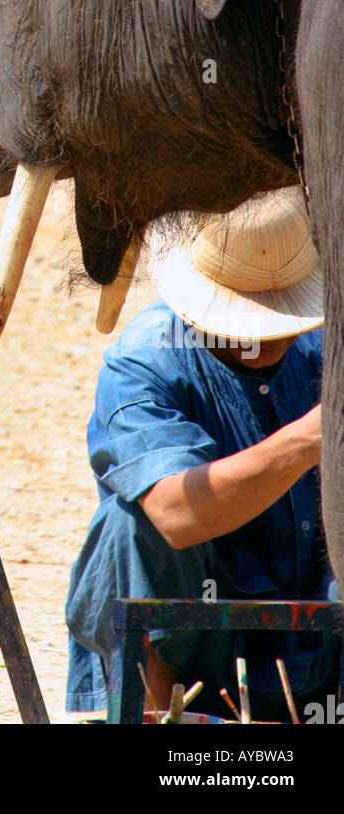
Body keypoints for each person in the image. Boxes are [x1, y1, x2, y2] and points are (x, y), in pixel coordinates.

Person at [65, 187, 338, 721]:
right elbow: (175, 512)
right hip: (203, 650)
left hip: (322, 641)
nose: (270, 337)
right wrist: (309, 440)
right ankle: (154, 716)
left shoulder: (324, 349)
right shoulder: (146, 360)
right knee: (131, 522)